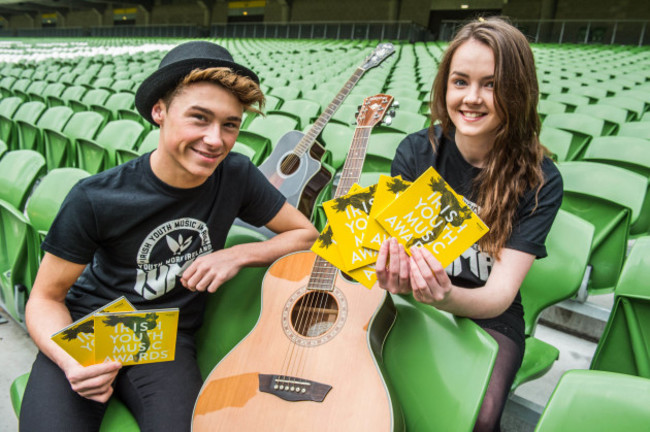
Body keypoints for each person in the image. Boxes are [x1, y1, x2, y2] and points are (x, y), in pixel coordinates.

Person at [20, 41, 318, 432]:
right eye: (199, 118)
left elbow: (306, 234)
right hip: (95, 324)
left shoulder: (236, 174)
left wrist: (238, 254)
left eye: (230, 124)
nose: (216, 140)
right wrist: (70, 359)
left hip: (167, 334)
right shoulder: (96, 197)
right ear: (159, 112)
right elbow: (45, 297)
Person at [375, 17, 563, 432]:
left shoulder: (540, 179)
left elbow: (497, 295)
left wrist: (446, 298)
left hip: (487, 314)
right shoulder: (416, 151)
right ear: (445, 86)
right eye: (460, 81)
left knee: (476, 416)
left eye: (491, 85)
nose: (472, 98)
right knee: (371, 388)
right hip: (410, 299)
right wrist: (387, 270)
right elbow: (393, 249)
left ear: (518, 91)